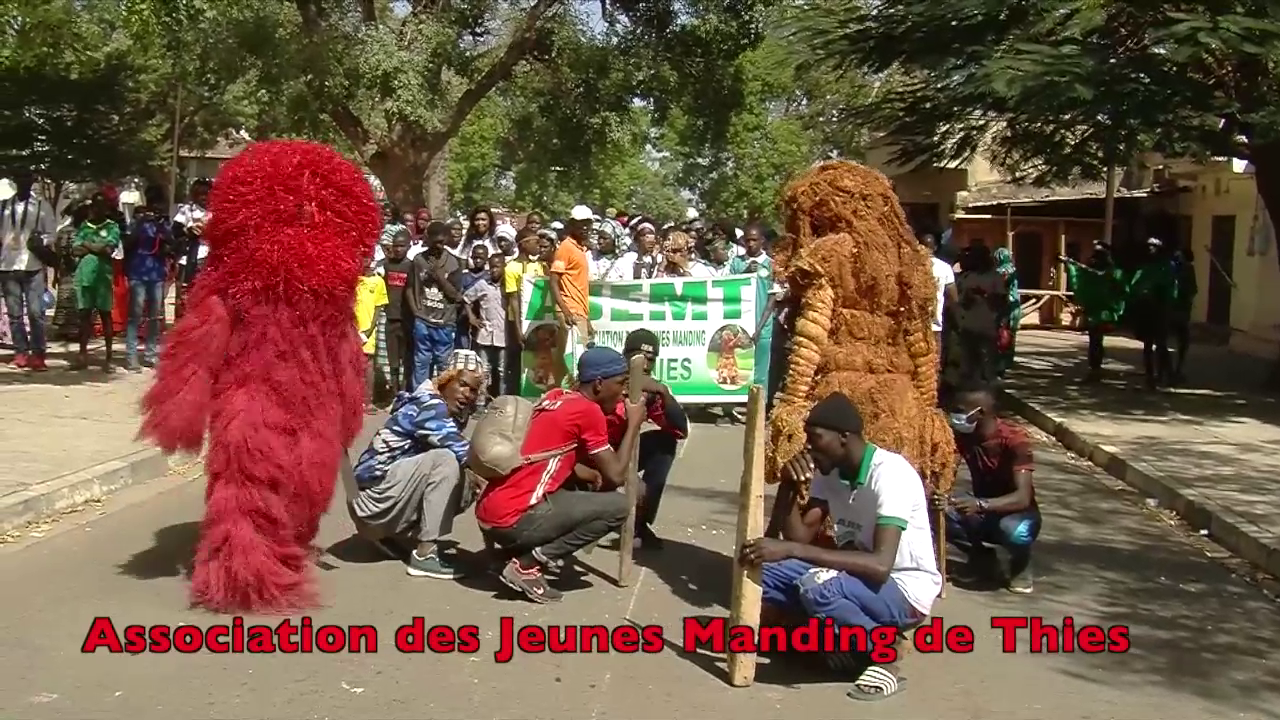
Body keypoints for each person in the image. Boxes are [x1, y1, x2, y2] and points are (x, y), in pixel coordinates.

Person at [744, 392, 939, 700]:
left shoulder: (890, 475)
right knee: (759, 567)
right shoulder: (830, 473)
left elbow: (880, 566)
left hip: (903, 589)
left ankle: (886, 653)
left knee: (820, 588)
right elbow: (798, 538)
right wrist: (788, 487)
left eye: (815, 437)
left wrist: (794, 552)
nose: (808, 446)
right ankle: (839, 639)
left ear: (844, 437)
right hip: (858, 579)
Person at [475, 347, 645, 603]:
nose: (622, 392)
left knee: (585, 487)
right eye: (620, 383)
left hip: (490, 513)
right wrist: (634, 423)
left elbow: (548, 451)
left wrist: (585, 473)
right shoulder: (589, 412)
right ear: (599, 383)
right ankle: (527, 565)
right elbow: (616, 476)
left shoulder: (557, 397)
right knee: (619, 506)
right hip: (512, 519)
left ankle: (510, 555)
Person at [350, 358, 484, 579]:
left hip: (376, 501)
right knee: (446, 461)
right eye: (461, 384)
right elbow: (465, 452)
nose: (466, 394)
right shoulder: (431, 405)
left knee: (464, 480)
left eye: (473, 390)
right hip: (369, 502)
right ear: (445, 380)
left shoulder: (447, 409)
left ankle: (387, 535)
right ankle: (425, 555)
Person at [578, 329, 689, 549]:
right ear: (625, 356)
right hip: (585, 456)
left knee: (665, 444)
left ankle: (640, 523)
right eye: (639, 358)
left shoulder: (648, 393)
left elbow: (679, 430)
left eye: (651, 360)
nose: (645, 366)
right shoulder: (603, 382)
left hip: (619, 451)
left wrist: (664, 392)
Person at [938, 383, 1040, 594]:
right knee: (937, 512)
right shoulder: (964, 438)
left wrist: (981, 504)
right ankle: (982, 558)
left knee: (1013, 530)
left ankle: (1021, 564)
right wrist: (941, 495)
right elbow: (949, 471)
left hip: (1017, 514)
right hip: (983, 510)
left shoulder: (1014, 439)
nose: (954, 416)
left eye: (959, 410)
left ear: (980, 412)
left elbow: (1022, 497)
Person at [1, 169, 58, 370]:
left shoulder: (42, 206)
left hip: (32, 265)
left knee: (36, 313)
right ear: (15, 181)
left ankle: (38, 354)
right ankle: (20, 352)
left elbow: (52, 233)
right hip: (8, 265)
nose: (23, 181)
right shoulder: (4, 207)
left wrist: (40, 240)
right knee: (15, 314)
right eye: (20, 177)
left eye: (27, 178)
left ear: (32, 181)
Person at [941, 245, 1006, 402]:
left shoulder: (964, 278)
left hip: (966, 329)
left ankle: (967, 403)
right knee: (984, 369)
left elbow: (953, 303)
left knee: (968, 369)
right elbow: (1002, 303)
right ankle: (984, 403)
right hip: (984, 329)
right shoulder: (995, 277)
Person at [406, 221, 464, 388]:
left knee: (443, 364)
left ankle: (443, 400)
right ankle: (420, 399)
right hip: (423, 320)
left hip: (444, 322)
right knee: (421, 361)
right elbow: (410, 289)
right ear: (428, 239)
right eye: (435, 241)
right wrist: (416, 311)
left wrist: (439, 277)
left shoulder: (454, 263)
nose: (439, 245)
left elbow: (456, 296)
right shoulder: (418, 261)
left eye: (442, 241)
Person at [122, 186, 172, 372]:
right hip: (138, 271)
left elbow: (171, 242)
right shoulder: (138, 221)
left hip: (157, 273)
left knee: (154, 316)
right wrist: (141, 222)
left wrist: (161, 225)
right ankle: (131, 356)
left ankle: (150, 355)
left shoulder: (163, 223)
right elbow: (127, 243)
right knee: (135, 315)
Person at [70, 193, 122, 371]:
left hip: (103, 277)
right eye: (95, 206)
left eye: (102, 206)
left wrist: (87, 245)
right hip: (84, 276)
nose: (98, 209)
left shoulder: (113, 227)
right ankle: (82, 355)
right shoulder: (85, 226)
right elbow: (75, 251)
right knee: (84, 317)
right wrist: (96, 247)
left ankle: (108, 359)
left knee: (105, 316)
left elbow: (108, 250)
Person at [1061, 244, 1127, 382]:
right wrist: (1070, 265)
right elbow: (1079, 280)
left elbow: (1123, 289)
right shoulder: (1092, 273)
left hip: (1105, 313)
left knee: (1096, 340)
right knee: (1095, 341)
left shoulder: (1112, 273)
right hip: (1094, 312)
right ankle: (1095, 369)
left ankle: (1096, 369)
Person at [548, 205, 595, 386]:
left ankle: (552, 394)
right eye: (580, 224)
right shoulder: (566, 248)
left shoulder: (580, 249)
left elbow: (579, 287)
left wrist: (587, 317)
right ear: (572, 225)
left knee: (564, 359)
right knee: (575, 360)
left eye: (587, 224)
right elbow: (553, 280)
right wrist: (565, 310)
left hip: (578, 310)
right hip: (570, 310)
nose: (585, 228)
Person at [730, 224, 778, 394]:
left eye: (754, 240)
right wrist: (745, 273)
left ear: (762, 241)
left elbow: (772, 298)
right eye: (747, 240)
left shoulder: (772, 265)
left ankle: (758, 410)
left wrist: (759, 327)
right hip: (738, 326)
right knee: (735, 366)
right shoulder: (736, 263)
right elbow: (727, 289)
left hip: (762, 327)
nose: (750, 244)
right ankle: (730, 407)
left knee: (760, 371)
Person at [1128, 237, 1177, 389]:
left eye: (1153, 247)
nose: (1150, 250)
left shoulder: (1167, 266)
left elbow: (1171, 287)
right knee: (1147, 345)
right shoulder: (1145, 268)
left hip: (1161, 309)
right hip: (1146, 309)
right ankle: (1150, 377)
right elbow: (1134, 285)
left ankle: (1167, 375)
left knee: (1161, 344)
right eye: (1149, 247)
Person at [504, 228, 546, 394]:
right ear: (523, 244)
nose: (538, 245)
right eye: (535, 242)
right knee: (517, 361)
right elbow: (513, 299)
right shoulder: (511, 268)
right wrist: (518, 329)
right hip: (519, 321)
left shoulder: (540, 266)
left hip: (537, 321)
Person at [463, 254, 507, 404]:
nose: (494, 270)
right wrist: (472, 318)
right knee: (483, 370)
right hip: (486, 333)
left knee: (502, 371)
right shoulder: (482, 285)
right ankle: (480, 402)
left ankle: (501, 403)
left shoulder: (509, 285)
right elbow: (466, 299)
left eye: (497, 267)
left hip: (504, 334)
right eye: (491, 267)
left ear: (504, 267)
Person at [381, 230, 414, 393]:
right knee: (392, 361)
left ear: (408, 246)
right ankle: (394, 394)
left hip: (406, 320)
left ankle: (405, 392)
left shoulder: (411, 266)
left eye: (402, 246)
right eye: (396, 246)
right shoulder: (387, 265)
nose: (398, 249)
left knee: (406, 360)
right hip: (390, 318)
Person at [355, 258, 389, 412]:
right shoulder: (354, 280)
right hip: (351, 329)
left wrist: (368, 331)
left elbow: (378, 309)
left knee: (368, 365)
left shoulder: (378, 282)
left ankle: (367, 401)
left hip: (367, 331)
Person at [919, 232, 957, 357]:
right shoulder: (945, 268)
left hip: (915, 326)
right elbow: (953, 297)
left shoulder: (912, 266)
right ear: (935, 247)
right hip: (935, 324)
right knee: (932, 362)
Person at [1170, 248, 1198, 385]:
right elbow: (1193, 290)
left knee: (1176, 340)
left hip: (1177, 309)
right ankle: (1175, 370)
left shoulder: (1182, 269)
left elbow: (1192, 290)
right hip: (1179, 310)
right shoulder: (1181, 269)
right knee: (1181, 341)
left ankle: (1172, 371)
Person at [993, 247, 1020, 378]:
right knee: (1010, 334)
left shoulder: (1002, 271)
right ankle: (1007, 361)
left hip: (1006, 305)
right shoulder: (1012, 268)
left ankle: (1001, 364)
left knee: (1002, 334)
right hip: (1014, 304)